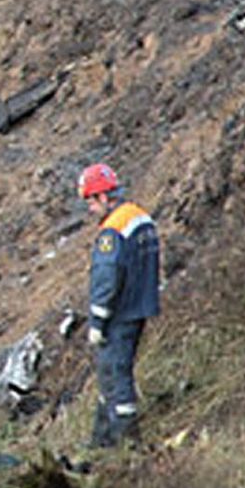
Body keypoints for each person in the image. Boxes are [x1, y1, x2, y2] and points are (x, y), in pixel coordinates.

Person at [77, 163, 160, 448]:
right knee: (109, 376)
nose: (89, 210)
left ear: (102, 197)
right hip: (138, 308)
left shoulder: (112, 230)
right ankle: (101, 442)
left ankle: (126, 443)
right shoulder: (140, 217)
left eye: (90, 201)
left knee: (115, 375)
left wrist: (98, 321)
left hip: (119, 314)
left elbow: (107, 278)